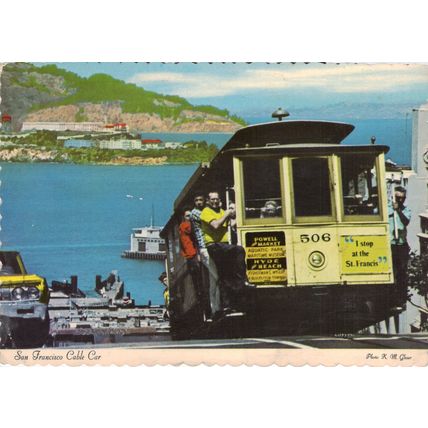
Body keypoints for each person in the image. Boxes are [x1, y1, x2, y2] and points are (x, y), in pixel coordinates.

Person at [200, 191, 248, 314]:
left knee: (224, 275)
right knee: (239, 250)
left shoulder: (221, 212)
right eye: (212, 199)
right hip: (214, 246)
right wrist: (227, 213)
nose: (215, 201)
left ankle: (228, 305)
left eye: (217, 199)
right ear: (207, 201)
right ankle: (242, 279)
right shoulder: (206, 212)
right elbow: (216, 225)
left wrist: (238, 215)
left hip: (223, 246)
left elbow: (230, 224)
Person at [178, 209, 205, 310]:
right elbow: (193, 230)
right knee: (198, 279)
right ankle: (201, 300)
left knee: (197, 280)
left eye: (191, 216)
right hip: (192, 255)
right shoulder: (185, 225)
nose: (190, 218)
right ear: (184, 218)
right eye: (188, 216)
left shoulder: (183, 226)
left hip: (191, 255)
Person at [388, 186, 411, 303]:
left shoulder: (406, 210)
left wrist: (398, 210)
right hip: (390, 244)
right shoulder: (387, 209)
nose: (400, 200)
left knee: (402, 271)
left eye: (403, 198)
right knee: (391, 271)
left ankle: (401, 297)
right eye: (398, 198)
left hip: (401, 245)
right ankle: (390, 297)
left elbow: (406, 222)